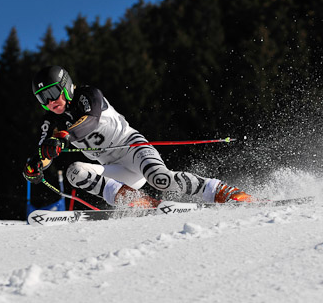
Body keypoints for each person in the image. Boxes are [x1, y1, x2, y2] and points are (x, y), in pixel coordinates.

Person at [23, 65, 254, 208]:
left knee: (161, 179)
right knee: (75, 172)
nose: (51, 102)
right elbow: (45, 151)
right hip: (114, 167)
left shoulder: (87, 95)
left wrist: (63, 137)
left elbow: (90, 120)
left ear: (66, 86)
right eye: (43, 98)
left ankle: (222, 190)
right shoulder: (51, 123)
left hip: (133, 149)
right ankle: (138, 203)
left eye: (53, 93)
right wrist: (35, 166)